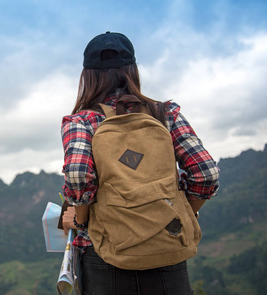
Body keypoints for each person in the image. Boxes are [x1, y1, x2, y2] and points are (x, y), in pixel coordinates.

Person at [61, 31, 220, 294]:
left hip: (106, 257)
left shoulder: (81, 121)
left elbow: (78, 175)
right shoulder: (165, 114)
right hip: (167, 246)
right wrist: (180, 214)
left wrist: (80, 221)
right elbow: (206, 173)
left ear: (87, 76)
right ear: (132, 70)